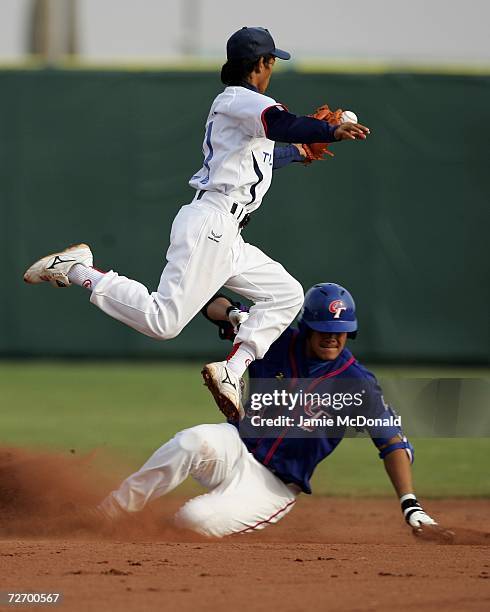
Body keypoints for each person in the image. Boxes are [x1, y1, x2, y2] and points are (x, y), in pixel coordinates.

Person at [23, 27, 370, 418]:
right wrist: (328, 130)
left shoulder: (245, 113)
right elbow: (280, 123)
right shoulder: (241, 101)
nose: (273, 68)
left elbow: (264, 158)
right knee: (162, 322)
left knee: (286, 295)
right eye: (272, 61)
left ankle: (232, 368)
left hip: (229, 232)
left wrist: (302, 150)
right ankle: (79, 270)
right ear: (261, 63)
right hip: (212, 223)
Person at [93, 283, 437, 538]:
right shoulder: (273, 341)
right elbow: (210, 302)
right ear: (306, 327)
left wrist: (411, 504)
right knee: (191, 441)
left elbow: (392, 442)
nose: (332, 338)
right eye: (324, 331)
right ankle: (110, 512)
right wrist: (233, 314)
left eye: (341, 332)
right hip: (236, 445)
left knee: (195, 521)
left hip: (273, 485)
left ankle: (153, 540)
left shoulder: (357, 384)